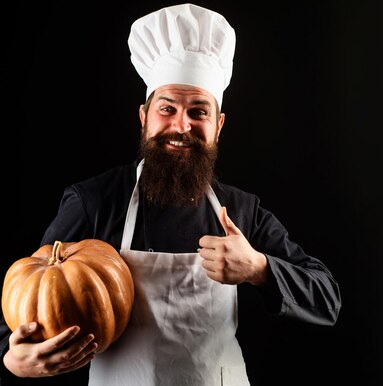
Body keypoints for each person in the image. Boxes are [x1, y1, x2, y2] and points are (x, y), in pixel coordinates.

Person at [0, 3, 341, 385]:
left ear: (218, 125)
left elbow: (326, 299)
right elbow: (26, 301)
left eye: (199, 111)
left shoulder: (242, 211)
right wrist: (14, 360)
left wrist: (259, 269)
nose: (182, 125)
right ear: (144, 117)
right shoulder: (95, 202)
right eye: (167, 108)